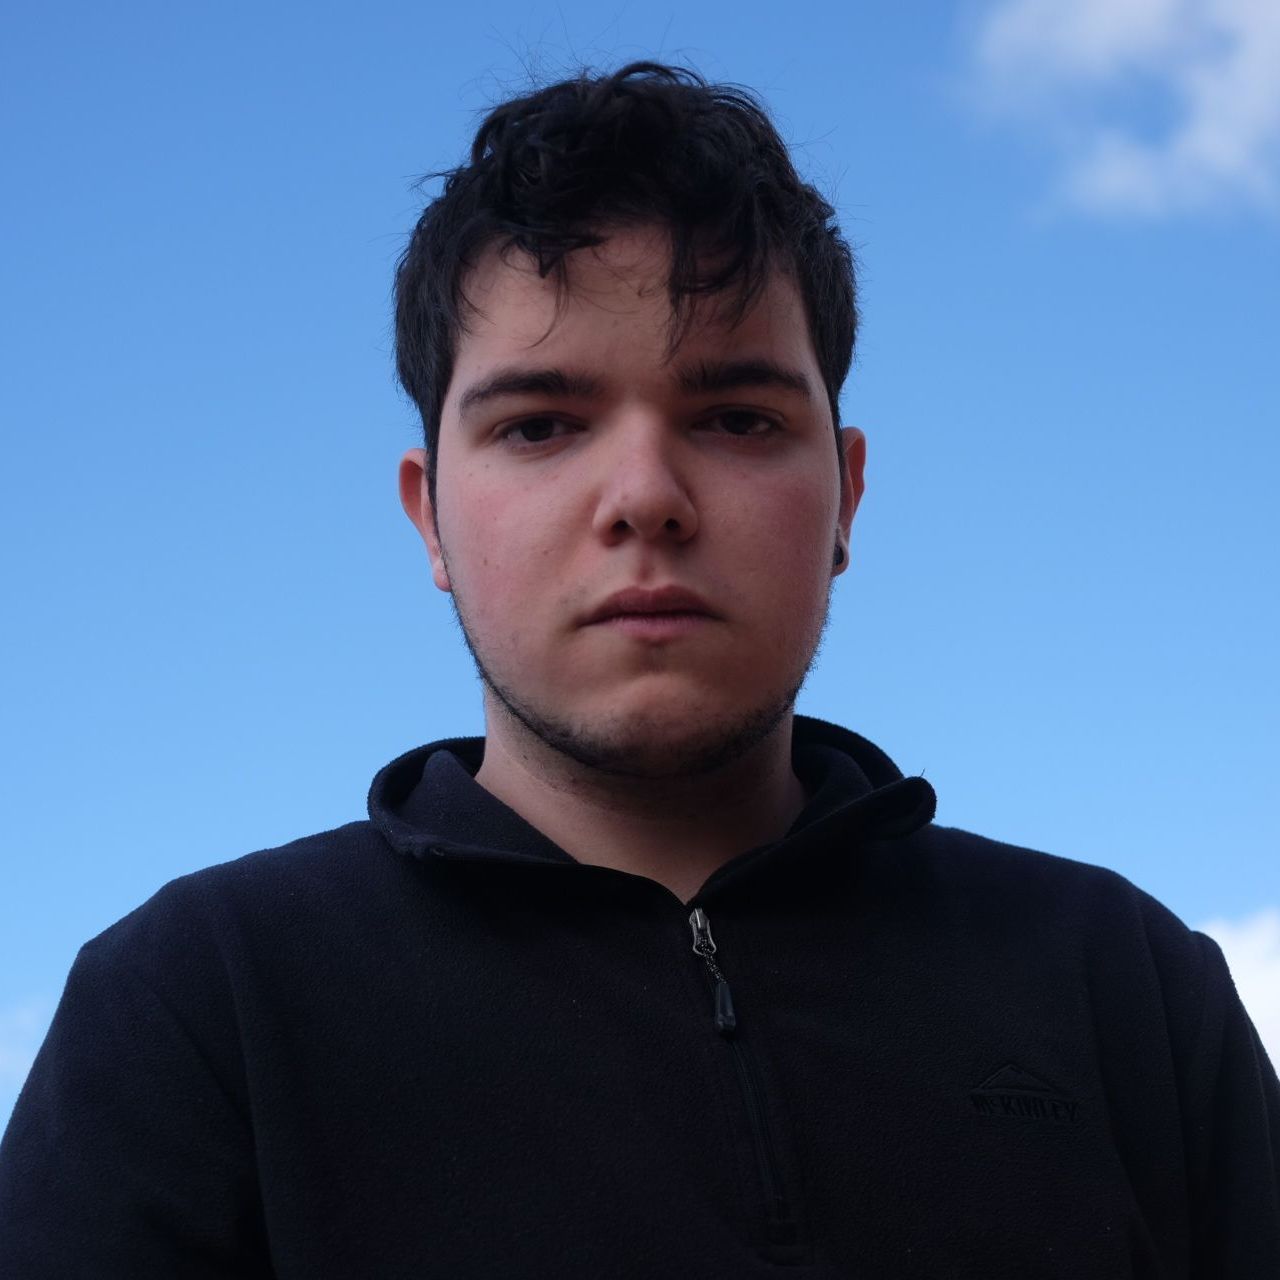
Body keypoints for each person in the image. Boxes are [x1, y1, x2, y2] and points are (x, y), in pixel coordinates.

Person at [0, 61, 1276, 1278]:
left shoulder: (1124, 985)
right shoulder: (199, 1002)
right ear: (429, 516)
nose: (644, 496)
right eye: (539, 425)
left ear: (845, 497)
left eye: (736, 418)